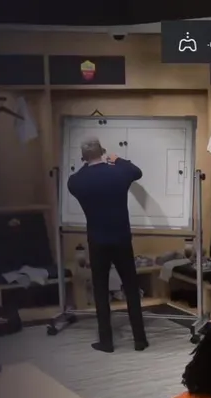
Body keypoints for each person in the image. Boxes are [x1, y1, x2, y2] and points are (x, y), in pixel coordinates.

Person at [65, 138, 149, 354]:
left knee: (101, 291)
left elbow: (78, 177)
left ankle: (106, 342)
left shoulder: (76, 181)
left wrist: (88, 163)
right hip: (122, 239)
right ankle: (140, 340)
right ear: (102, 151)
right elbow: (137, 172)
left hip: (97, 241)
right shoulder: (118, 172)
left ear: (84, 157)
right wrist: (117, 159)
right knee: (131, 288)